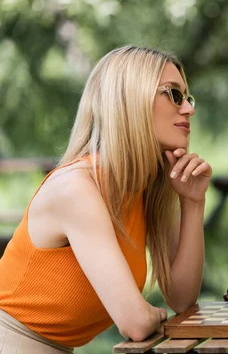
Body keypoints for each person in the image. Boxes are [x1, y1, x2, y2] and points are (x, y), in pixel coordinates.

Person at [0, 46, 212, 353]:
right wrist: (151, 315)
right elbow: (136, 323)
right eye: (173, 94)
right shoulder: (76, 189)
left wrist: (193, 204)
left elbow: (181, 298)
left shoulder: (143, 187)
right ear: (130, 101)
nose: (188, 109)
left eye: (187, 98)